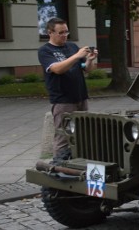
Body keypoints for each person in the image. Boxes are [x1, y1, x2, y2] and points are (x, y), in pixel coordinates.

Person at [38, 17, 98, 159]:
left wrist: (89, 60)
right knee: (64, 137)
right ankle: (59, 167)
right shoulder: (45, 51)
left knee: (83, 134)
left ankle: (81, 163)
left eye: (66, 32)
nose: (65, 35)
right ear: (50, 33)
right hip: (62, 100)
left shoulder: (71, 46)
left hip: (80, 97)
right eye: (61, 33)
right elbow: (57, 69)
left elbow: (87, 69)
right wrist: (77, 56)